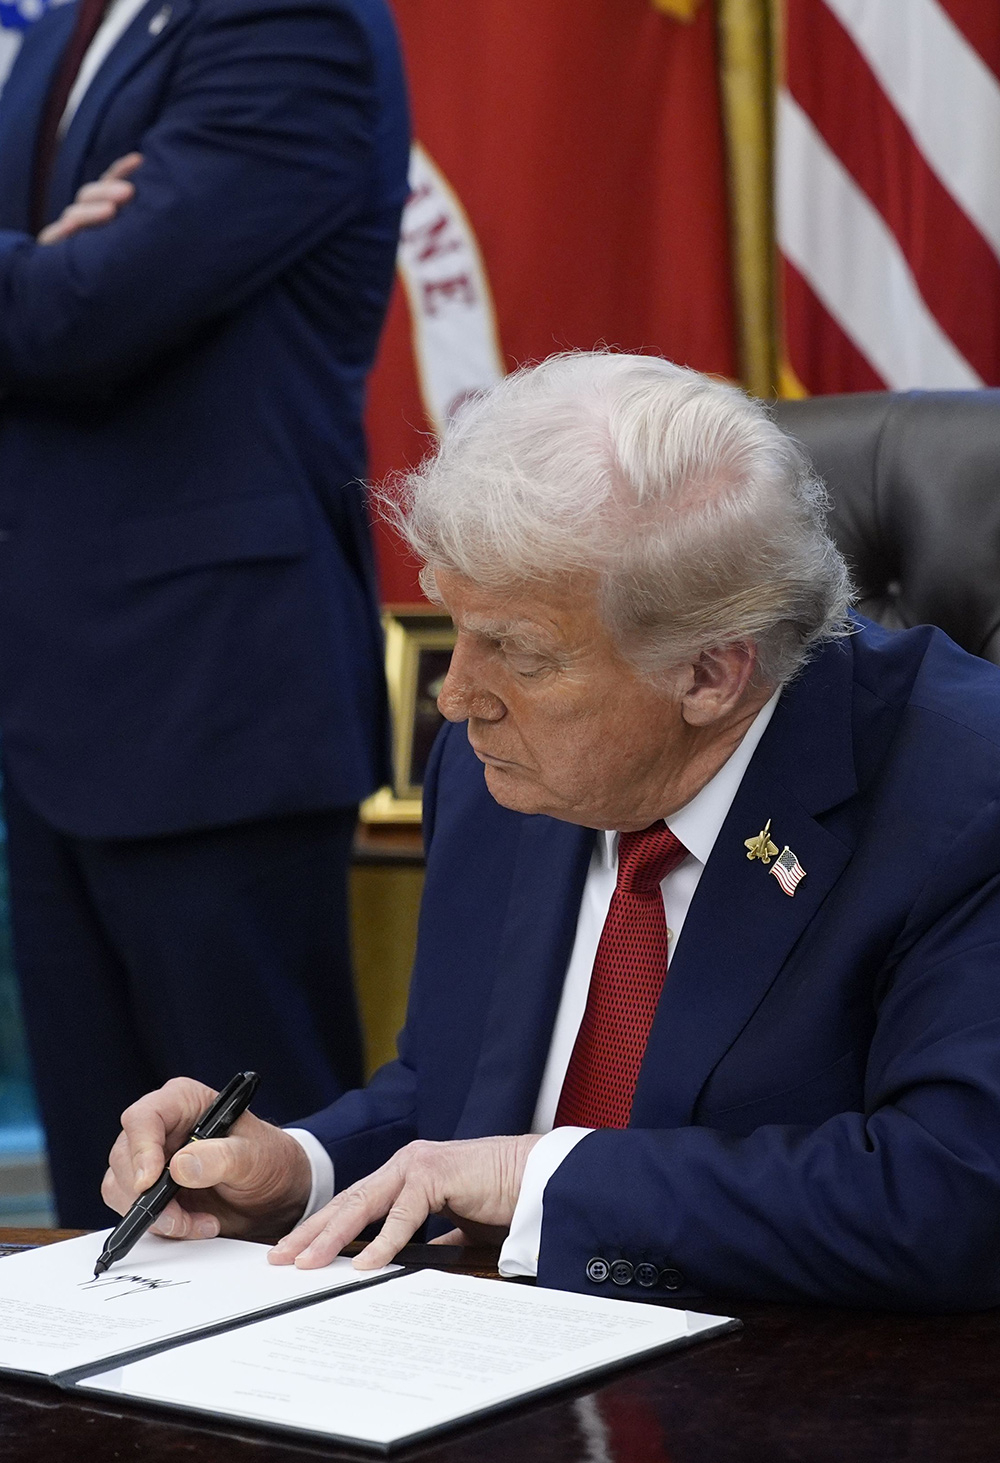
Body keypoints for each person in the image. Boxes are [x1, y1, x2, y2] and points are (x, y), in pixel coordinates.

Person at [103, 352, 1000, 1310]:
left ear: (710, 675)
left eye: (518, 653)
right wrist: (300, 1170)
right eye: (458, 627)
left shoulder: (965, 793)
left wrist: (539, 1180)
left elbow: (951, 1194)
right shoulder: (501, 770)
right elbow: (461, 1093)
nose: (456, 698)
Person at [0, 0, 410, 1225]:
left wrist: (46, 273)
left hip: (211, 696)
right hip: (56, 696)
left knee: (262, 1201)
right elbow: (39, 290)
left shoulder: (293, 18)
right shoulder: (68, 28)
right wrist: (34, 264)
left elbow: (77, 314)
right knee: (108, 1216)